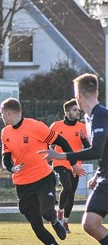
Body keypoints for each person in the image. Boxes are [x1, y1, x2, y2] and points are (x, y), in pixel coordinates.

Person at [0, 97, 75, 245]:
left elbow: (61, 141)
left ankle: (55, 221)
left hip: (43, 179)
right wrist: (12, 168)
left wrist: (73, 163)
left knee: (47, 211)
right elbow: (5, 158)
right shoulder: (5, 132)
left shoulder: (35, 126)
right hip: (23, 185)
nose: (1, 117)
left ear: (8, 112)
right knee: (36, 226)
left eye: (1, 113)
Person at [39, 74, 108, 245]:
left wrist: (60, 156)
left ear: (78, 95)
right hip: (104, 177)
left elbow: (96, 151)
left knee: (90, 223)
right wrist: (98, 174)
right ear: (97, 92)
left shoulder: (101, 115)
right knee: (90, 223)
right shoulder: (90, 118)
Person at [49, 99, 89, 232]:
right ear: (67, 112)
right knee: (67, 186)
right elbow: (49, 144)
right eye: (74, 110)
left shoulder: (82, 127)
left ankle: (65, 221)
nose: (78, 112)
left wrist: (84, 139)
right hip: (60, 162)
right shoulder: (56, 125)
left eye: (78, 110)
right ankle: (60, 211)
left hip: (76, 163)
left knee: (71, 192)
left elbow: (88, 148)